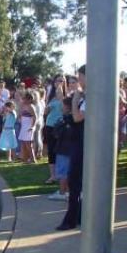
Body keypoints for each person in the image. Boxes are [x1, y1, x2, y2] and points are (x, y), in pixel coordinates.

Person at [57, 65, 86, 231]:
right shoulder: (84, 96)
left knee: (75, 181)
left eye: (80, 77)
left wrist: (75, 102)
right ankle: (76, 215)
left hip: (82, 144)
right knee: (76, 182)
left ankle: (72, 219)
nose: (79, 80)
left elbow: (77, 117)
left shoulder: (89, 98)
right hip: (78, 142)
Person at [49, 96, 74, 201]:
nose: (61, 107)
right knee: (68, 171)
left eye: (63, 105)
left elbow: (57, 133)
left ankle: (62, 192)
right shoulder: (67, 119)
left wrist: (58, 126)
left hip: (64, 149)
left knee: (63, 171)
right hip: (67, 148)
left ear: (68, 107)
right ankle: (68, 192)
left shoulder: (68, 120)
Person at [43, 80, 65, 183]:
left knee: (60, 150)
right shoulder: (51, 99)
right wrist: (48, 108)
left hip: (60, 127)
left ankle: (61, 175)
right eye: (57, 81)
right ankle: (53, 176)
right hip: (50, 125)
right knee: (51, 150)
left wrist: (60, 94)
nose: (58, 84)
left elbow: (64, 109)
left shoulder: (66, 98)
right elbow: (45, 112)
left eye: (61, 81)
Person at [18, 91, 37, 163]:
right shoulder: (23, 106)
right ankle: (25, 158)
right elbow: (20, 115)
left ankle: (33, 159)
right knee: (23, 143)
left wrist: (33, 126)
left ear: (29, 99)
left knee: (28, 144)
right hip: (24, 126)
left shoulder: (31, 107)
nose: (24, 100)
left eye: (25, 98)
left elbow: (35, 117)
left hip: (28, 127)